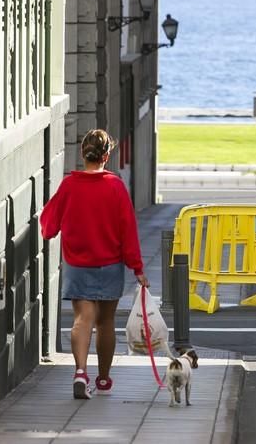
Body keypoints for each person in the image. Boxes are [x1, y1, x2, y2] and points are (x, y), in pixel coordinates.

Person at [40, 129, 150, 399]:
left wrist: (49, 224)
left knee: (82, 318)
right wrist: (137, 268)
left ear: (83, 154)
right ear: (107, 156)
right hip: (110, 264)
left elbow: (48, 227)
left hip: (78, 264)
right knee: (106, 322)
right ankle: (102, 378)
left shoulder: (69, 185)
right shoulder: (115, 187)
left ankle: (80, 371)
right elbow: (128, 230)